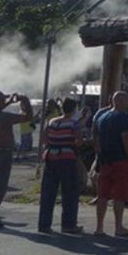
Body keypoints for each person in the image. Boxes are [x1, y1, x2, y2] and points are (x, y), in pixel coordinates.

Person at [0, 91, 33, 230]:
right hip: (1, 155)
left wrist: (8, 101)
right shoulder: (5, 117)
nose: (5, 103)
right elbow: (28, 117)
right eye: (2, 101)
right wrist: (25, 101)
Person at [93, 91, 128, 237]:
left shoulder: (102, 117)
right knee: (119, 195)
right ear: (120, 102)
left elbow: (96, 139)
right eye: (127, 101)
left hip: (105, 160)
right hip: (120, 159)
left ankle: (99, 227)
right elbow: (126, 139)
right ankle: (118, 227)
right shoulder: (122, 117)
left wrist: (100, 155)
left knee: (102, 195)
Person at [38, 98, 83, 234]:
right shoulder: (73, 124)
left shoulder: (52, 122)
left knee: (48, 193)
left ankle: (44, 225)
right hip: (67, 159)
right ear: (74, 109)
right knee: (69, 192)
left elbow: (44, 139)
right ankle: (68, 225)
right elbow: (78, 141)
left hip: (51, 157)